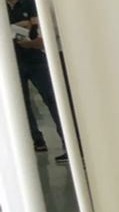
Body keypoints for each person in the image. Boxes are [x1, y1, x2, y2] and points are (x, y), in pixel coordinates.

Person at [7, 0, 66, 163]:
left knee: (52, 98)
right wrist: (23, 25)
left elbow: (36, 25)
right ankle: (36, 140)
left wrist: (16, 27)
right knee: (21, 104)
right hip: (13, 62)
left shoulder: (30, 3)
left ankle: (66, 139)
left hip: (36, 58)